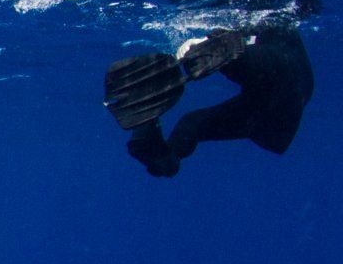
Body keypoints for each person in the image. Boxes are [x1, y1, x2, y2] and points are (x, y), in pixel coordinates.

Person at [105, 17, 314, 177]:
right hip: (278, 117)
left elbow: (275, 65)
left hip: (280, 90)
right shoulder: (279, 34)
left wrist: (217, 45)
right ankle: (162, 156)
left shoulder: (275, 31)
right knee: (191, 125)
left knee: (274, 66)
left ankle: (160, 154)